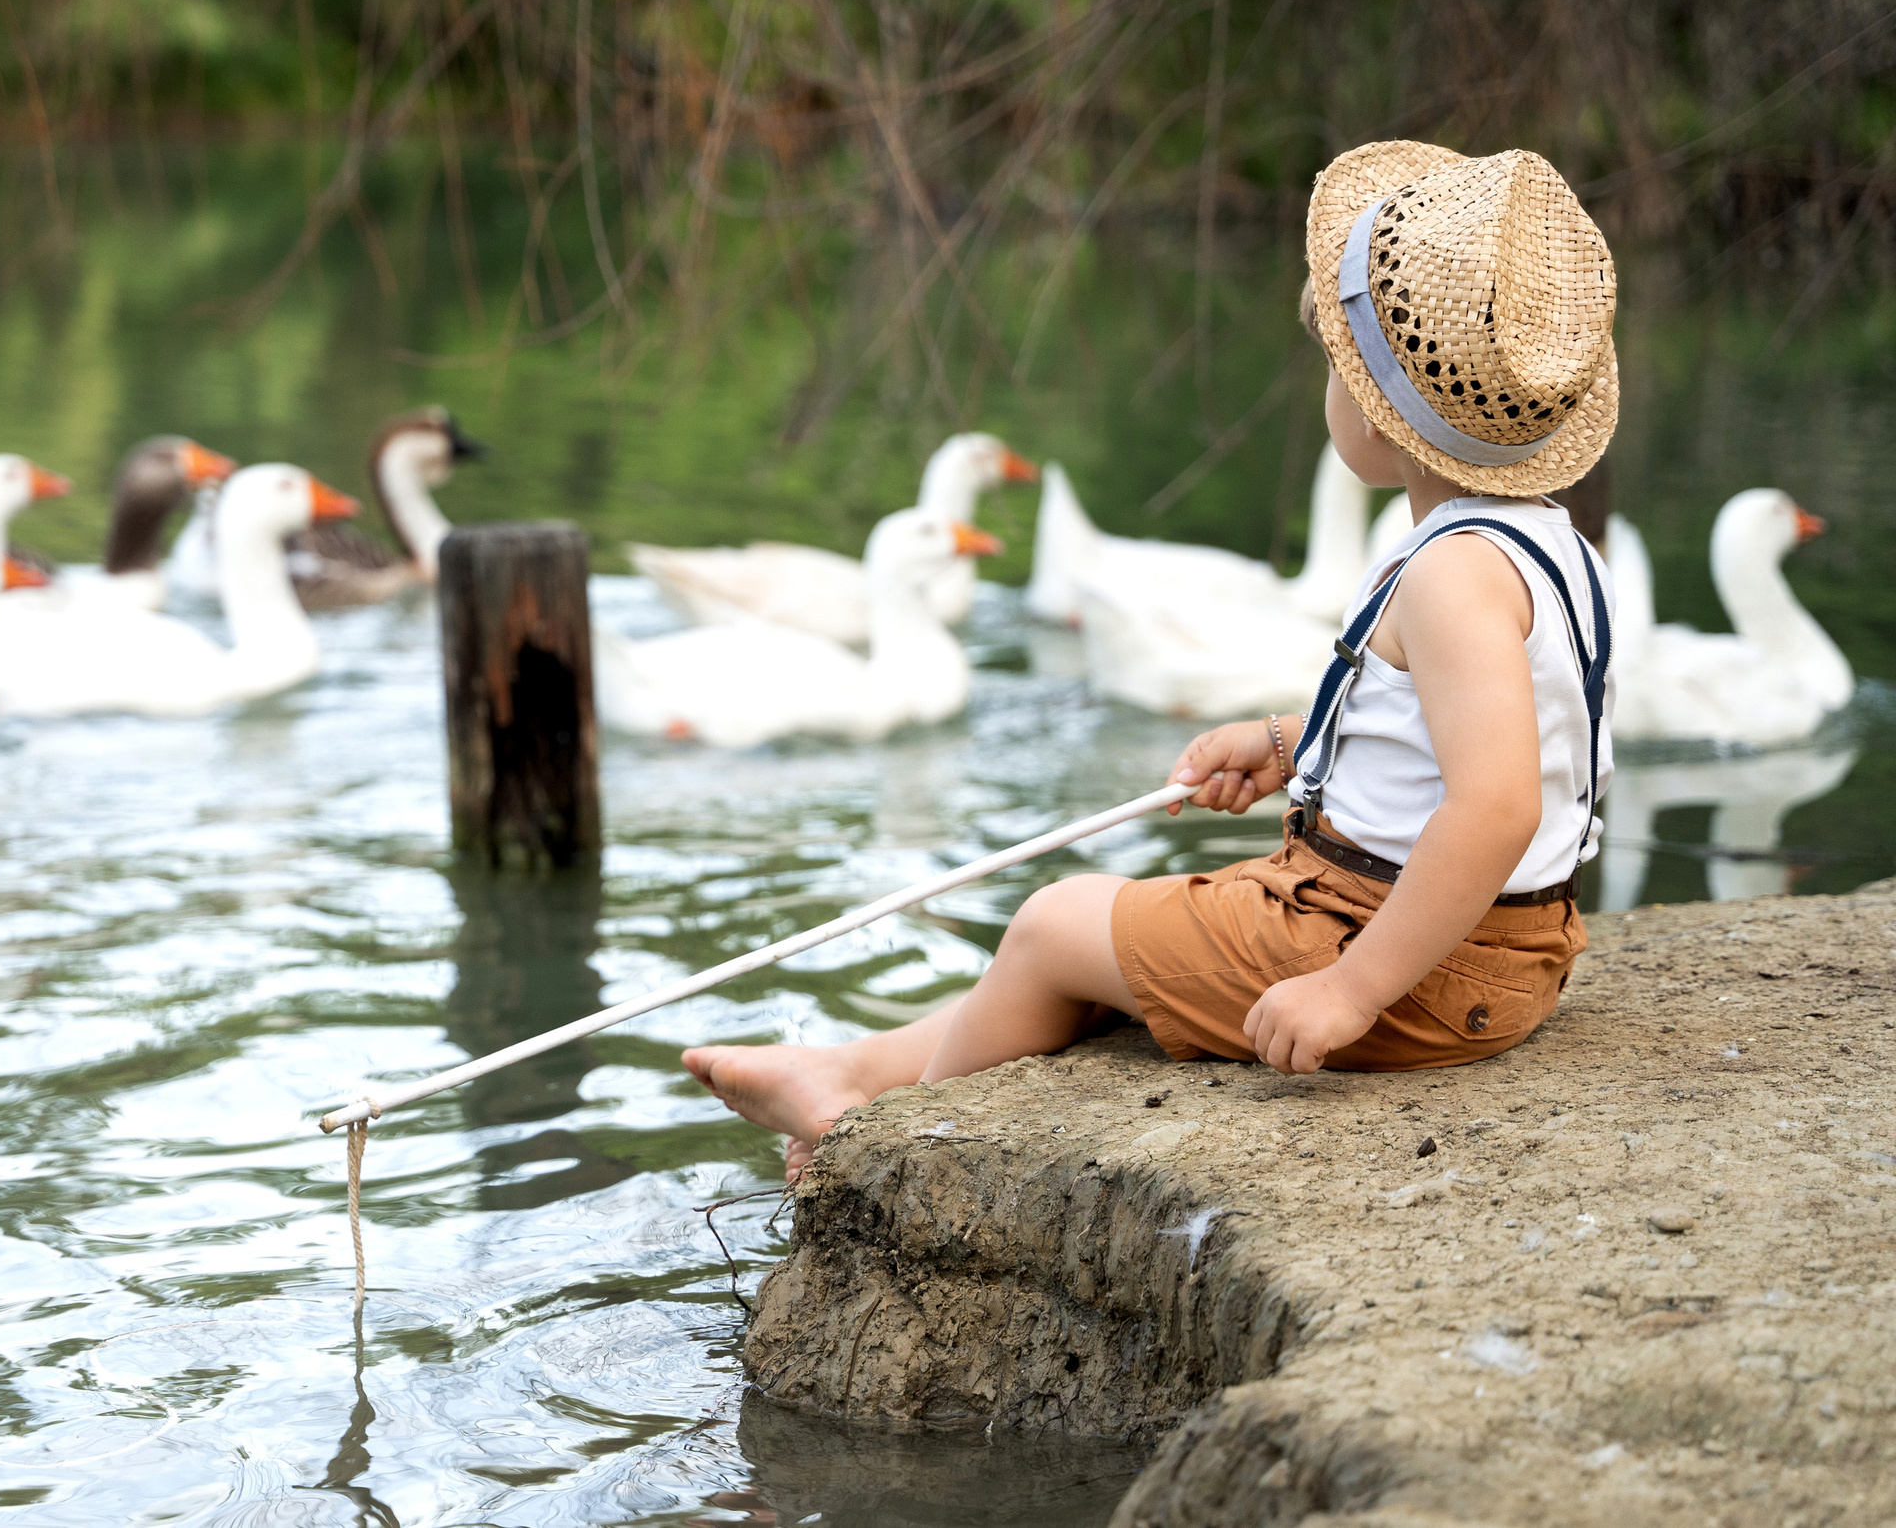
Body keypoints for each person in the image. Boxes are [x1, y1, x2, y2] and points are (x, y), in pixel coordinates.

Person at [685, 142, 1619, 1175]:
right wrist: (1288, 742)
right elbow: (1495, 735)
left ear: (1369, 409)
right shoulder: (1550, 546)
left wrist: (1346, 993)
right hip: (1507, 952)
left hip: (1404, 966)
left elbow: (1495, 806)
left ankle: (874, 1141)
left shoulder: (1448, 577)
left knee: (1049, 924)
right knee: (1111, 946)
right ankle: (855, 1066)